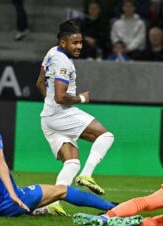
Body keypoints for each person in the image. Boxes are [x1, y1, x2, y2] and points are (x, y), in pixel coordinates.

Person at [0, 123, 116, 216]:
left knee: (33, 196)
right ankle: (113, 207)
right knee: (63, 190)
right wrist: (12, 194)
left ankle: (35, 210)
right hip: (11, 201)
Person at [36, 20, 115, 215]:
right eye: (75, 43)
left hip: (48, 117)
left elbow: (39, 83)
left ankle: (52, 202)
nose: (79, 46)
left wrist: (50, 106)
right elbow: (61, 96)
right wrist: (82, 98)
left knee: (71, 162)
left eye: (80, 42)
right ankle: (86, 176)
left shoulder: (52, 52)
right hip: (61, 113)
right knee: (105, 136)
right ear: (63, 42)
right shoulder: (63, 62)